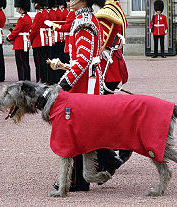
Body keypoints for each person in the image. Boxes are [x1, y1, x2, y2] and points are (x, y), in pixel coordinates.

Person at [48, 0, 123, 192]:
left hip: (84, 84)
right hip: (86, 79)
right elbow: (82, 58)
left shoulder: (85, 22)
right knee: (82, 128)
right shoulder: (83, 18)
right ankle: (107, 159)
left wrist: (63, 84)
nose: (68, 0)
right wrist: (66, 68)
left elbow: (83, 60)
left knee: (74, 128)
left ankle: (78, 180)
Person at [95, 0, 132, 166]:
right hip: (111, 67)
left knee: (103, 116)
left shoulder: (106, 12)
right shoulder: (115, 7)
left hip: (107, 70)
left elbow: (99, 42)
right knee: (107, 113)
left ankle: (113, 153)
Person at [30, 0, 55, 84]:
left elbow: (34, 30)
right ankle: (48, 79)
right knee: (46, 61)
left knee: (39, 63)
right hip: (47, 40)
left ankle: (41, 80)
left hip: (38, 41)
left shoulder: (39, 14)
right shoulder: (47, 13)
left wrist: (30, 38)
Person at [6, 0, 32, 81]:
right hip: (25, 42)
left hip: (20, 43)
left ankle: (23, 80)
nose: (17, 9)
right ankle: (27, 79)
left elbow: (17, 30)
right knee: (25, 63)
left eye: (18, 8)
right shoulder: (28, 17)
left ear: (21, 8)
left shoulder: (22, 19)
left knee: (21, 64)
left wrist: (9, 37)